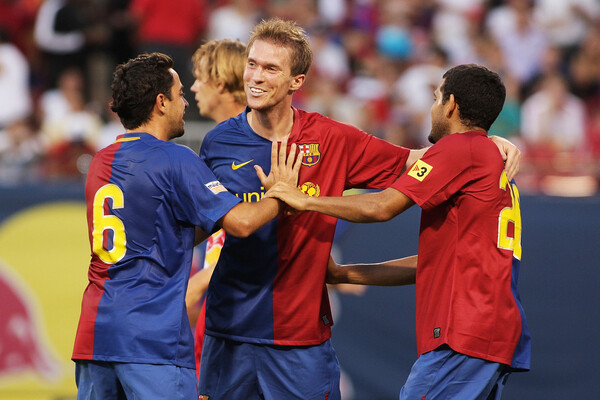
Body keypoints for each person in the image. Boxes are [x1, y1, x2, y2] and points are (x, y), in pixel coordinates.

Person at [197, 18, 522, 400]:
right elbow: (199, 223)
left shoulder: (332, 138)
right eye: (252, 64)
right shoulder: (217, 143)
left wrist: (485, 140)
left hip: (300, 339)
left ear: (297, 81)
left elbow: (417, 159)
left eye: (271, 68)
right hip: (228, 331)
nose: (256, 76)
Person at [267, 64, 531, 399]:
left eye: (436, 98)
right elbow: (430, 264)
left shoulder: (460, 149)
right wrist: (342, 274)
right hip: (490, 334)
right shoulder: (489, 160)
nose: (432, 108)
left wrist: (303, 200)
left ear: (451, 105)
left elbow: (382, 206)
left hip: (464, 332)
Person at [71, 52, 301, 399]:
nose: (185, 102)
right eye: (179, 94)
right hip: (152, 339)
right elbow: (240, 224)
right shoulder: (175, 157)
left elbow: (158, 232)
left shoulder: (101, 161)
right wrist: (281, 195)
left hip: (94, 335)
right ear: (161, 103)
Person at [185, 38, 247, 376]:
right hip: (220, 301)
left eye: (199, 78)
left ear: (221, 83)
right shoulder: (218, 142)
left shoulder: (255, 144)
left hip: (245, 309)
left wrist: (200, 282)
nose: (194, 87)